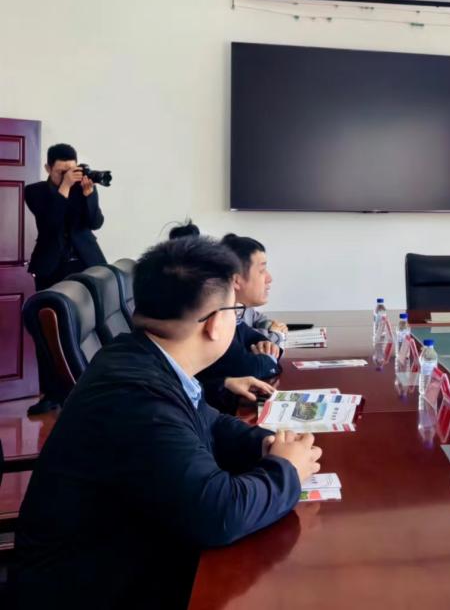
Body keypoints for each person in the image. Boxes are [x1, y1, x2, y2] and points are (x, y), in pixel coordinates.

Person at [13, 236, 322, 608]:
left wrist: (264, 444)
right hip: (94, 590)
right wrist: (286, 470)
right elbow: (217, 515)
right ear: (214, 324)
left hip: (134, 556)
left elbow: (210, 422)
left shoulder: (140, 356)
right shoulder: (135, 397)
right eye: (234, 311)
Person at [196, 234, 285, 409]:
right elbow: (253, 369)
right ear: (236, 280)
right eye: (262, 271)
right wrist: (268, 357)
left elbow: (257, 340)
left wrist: (269, 347)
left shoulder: (232, 313)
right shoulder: (216, 317)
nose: (269, 278)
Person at [25, 143, 106, 290]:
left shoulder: (82, 187)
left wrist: (89, 197)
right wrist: (65, 186)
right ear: (48, 168)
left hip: (87, 261)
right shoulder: (34, 191)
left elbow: (95, 223)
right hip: (50, 265)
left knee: (92, 304)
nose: (68, 176)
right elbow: (51, 224)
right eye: (62, 172)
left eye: (71, 171)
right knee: (50, 303)